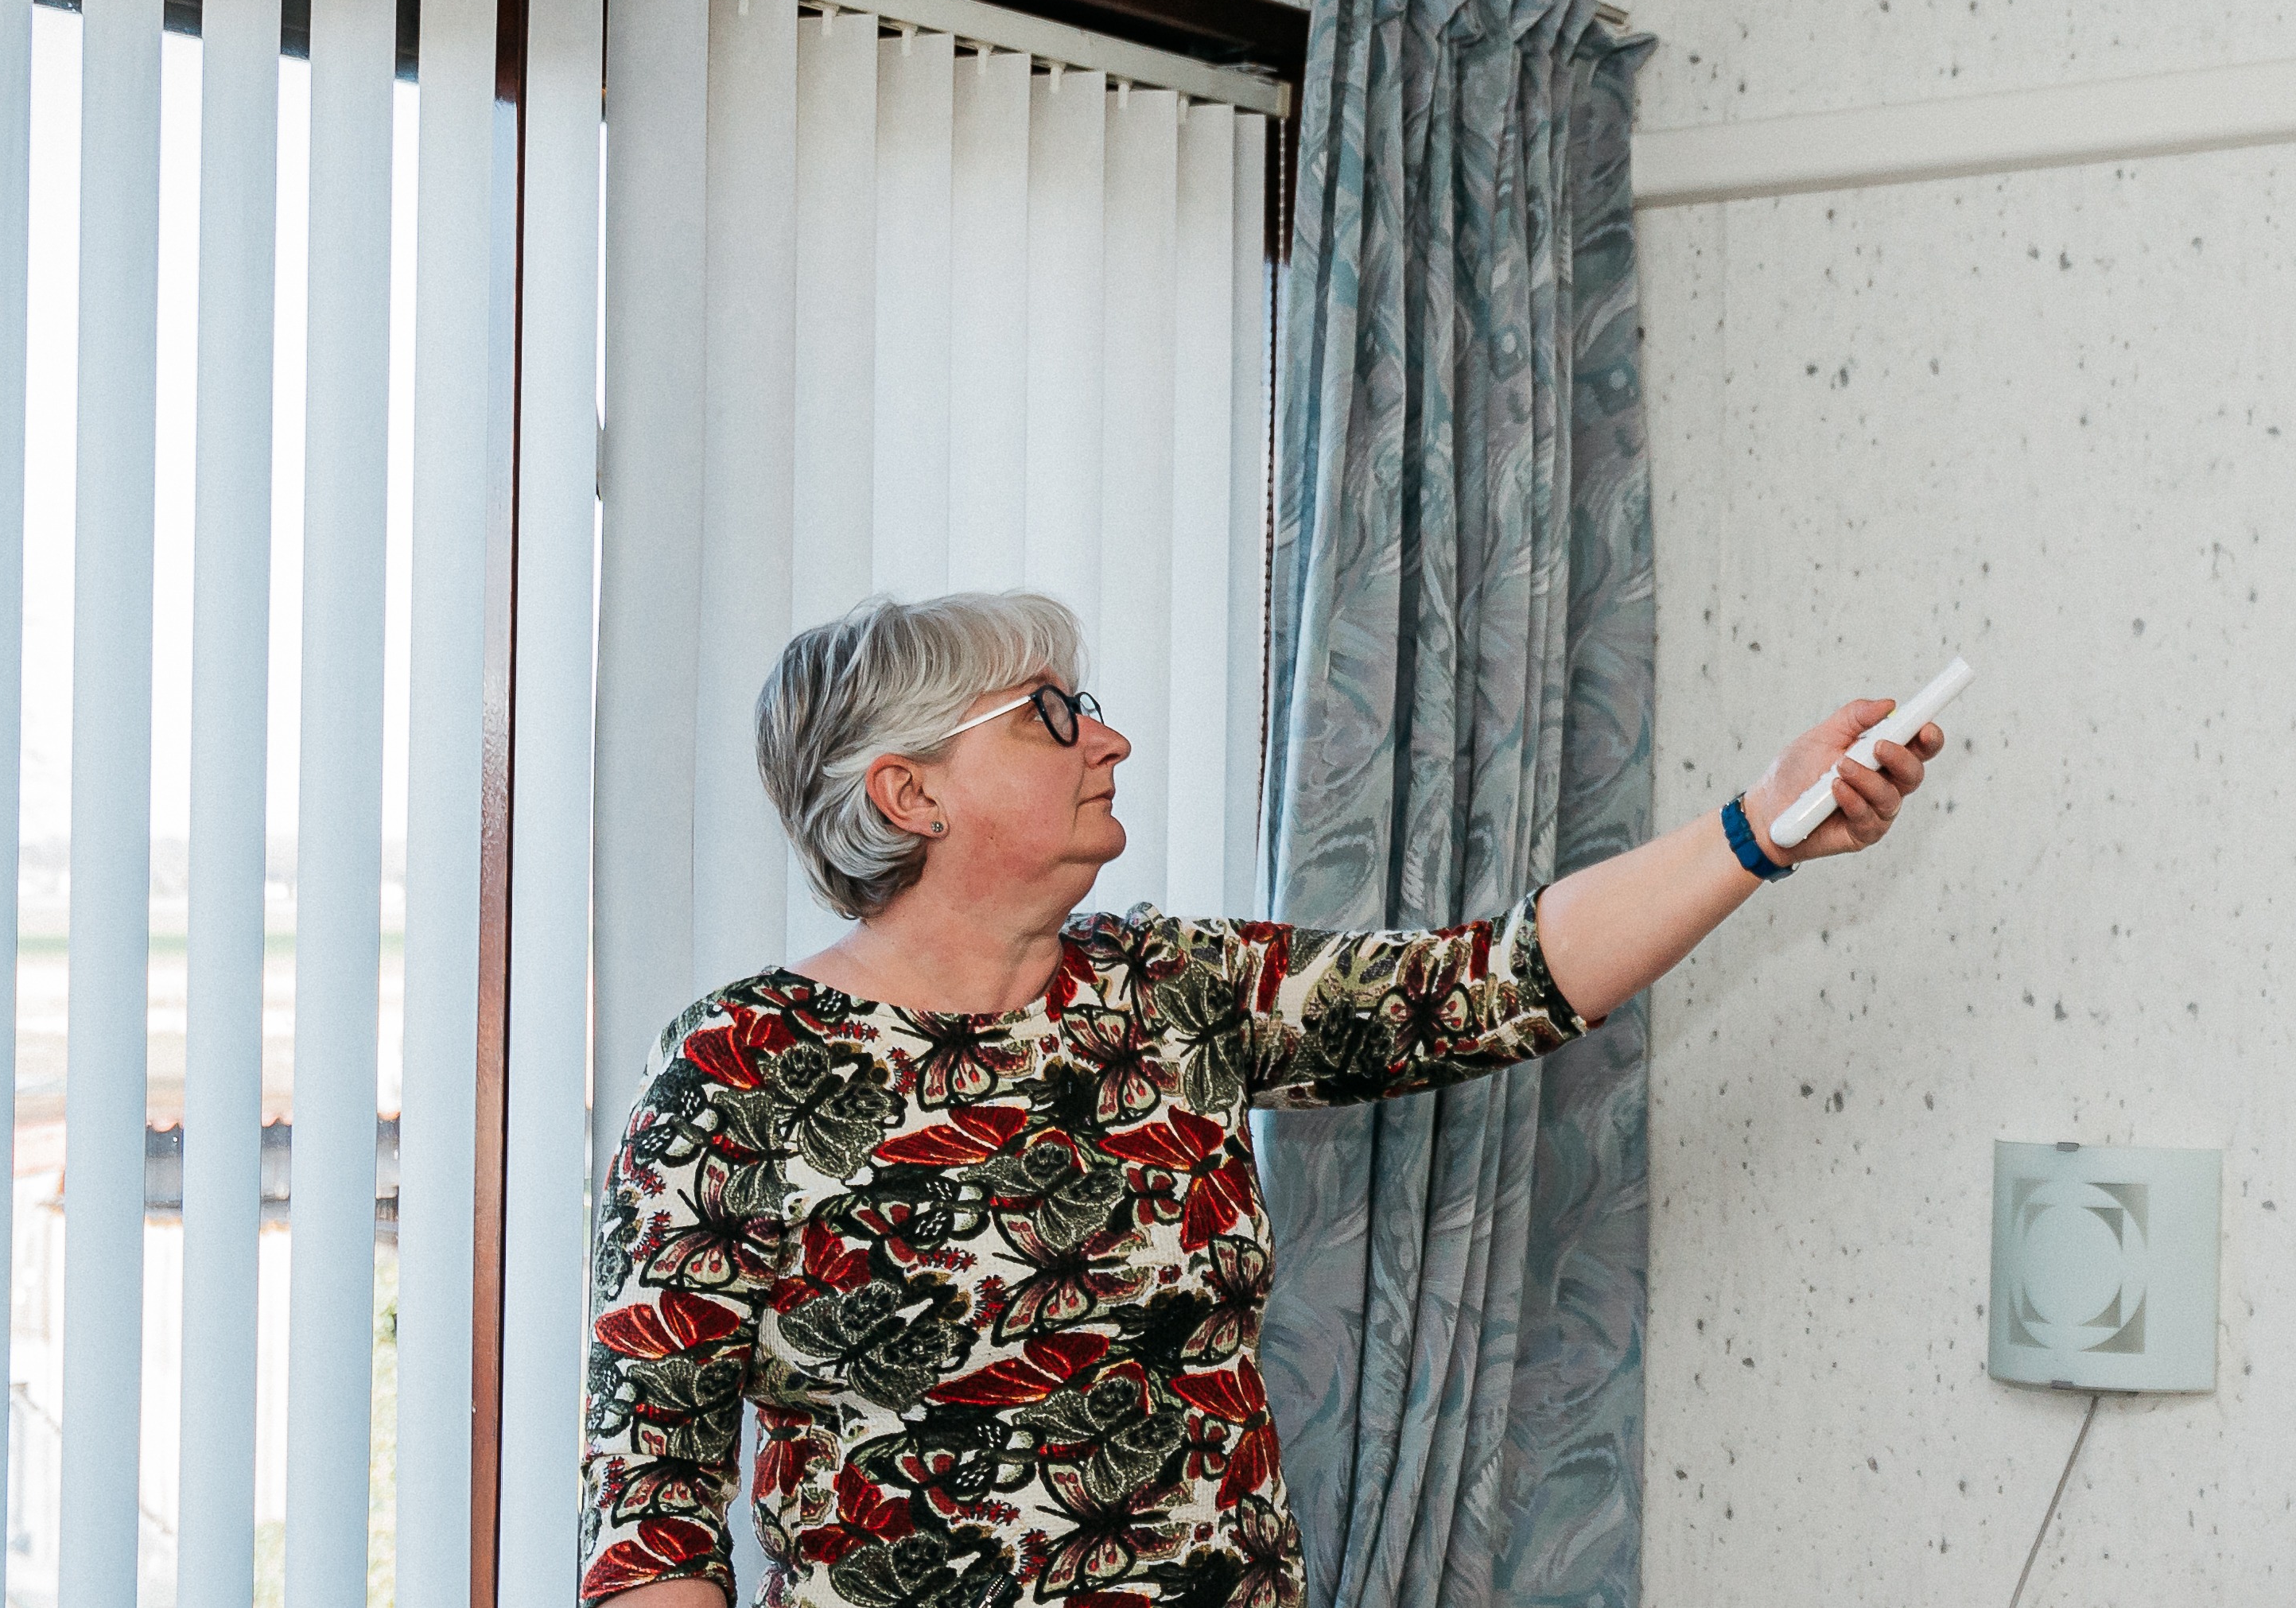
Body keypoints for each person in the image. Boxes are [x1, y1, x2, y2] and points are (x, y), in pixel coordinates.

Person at [578, 589, 1937, 1607]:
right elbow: (652, 1517)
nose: (1104, 734)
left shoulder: (1173, 986)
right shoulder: (737, 1069)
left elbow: (1494, 982)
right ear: (908, 789)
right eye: (1052, 713)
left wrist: (1760, 827)